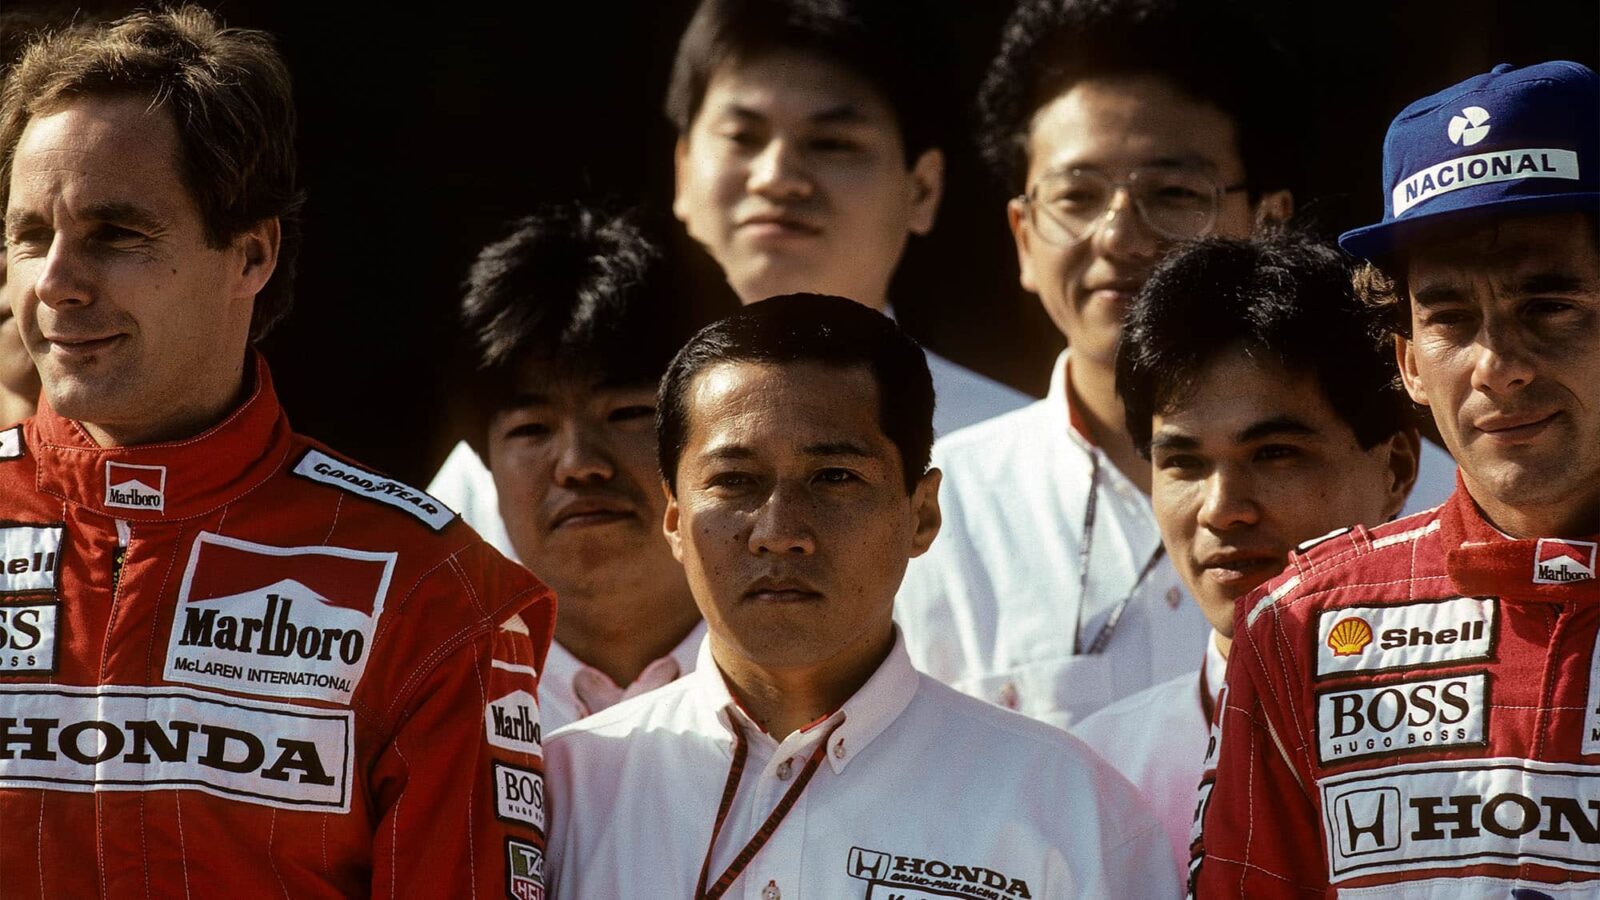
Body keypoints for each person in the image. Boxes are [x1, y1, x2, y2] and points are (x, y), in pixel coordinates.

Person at [0, 9, 554, 897]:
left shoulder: (430, 589)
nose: (56, 282)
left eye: (115, 233)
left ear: (252, 252)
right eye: (31, 235)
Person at [544, 294, 1177, 898]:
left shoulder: (1066, 807)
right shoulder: (566, 792)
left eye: (835, 477)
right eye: (733, 481)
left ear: (922, 515)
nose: (779, 533)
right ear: (676, 521)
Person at [1191, 60, 1600, 897]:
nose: (1498, 366)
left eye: (1548, 305)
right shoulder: (1300, 628)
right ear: (1409, 363)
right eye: (1450, 318)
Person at [898, 0, 1351, 730]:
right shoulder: (933, 518)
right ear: (1022, 235)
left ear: (1270, 221)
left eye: (1172, 194)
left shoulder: (1419, 495)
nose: (1117, 235)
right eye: (1076, 196)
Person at [1070, 232, 1420, 880]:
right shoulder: (1090, 774)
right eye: (1183, 463)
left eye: (1275, 454)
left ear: (1396, 468)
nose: (1222, 507)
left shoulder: (1490, 752)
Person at [665, 0, 1031, 435]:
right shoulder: (593, 451)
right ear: (683, 171)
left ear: (922, 189)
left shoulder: (1004, 454)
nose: (775, 178)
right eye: (742, 137)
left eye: (831, 143)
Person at [457, 204, 704, 732]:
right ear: (486, 461)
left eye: (626, 414)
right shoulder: (431, 701)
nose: (578, 465)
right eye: (531, 429)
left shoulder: (816, 681)